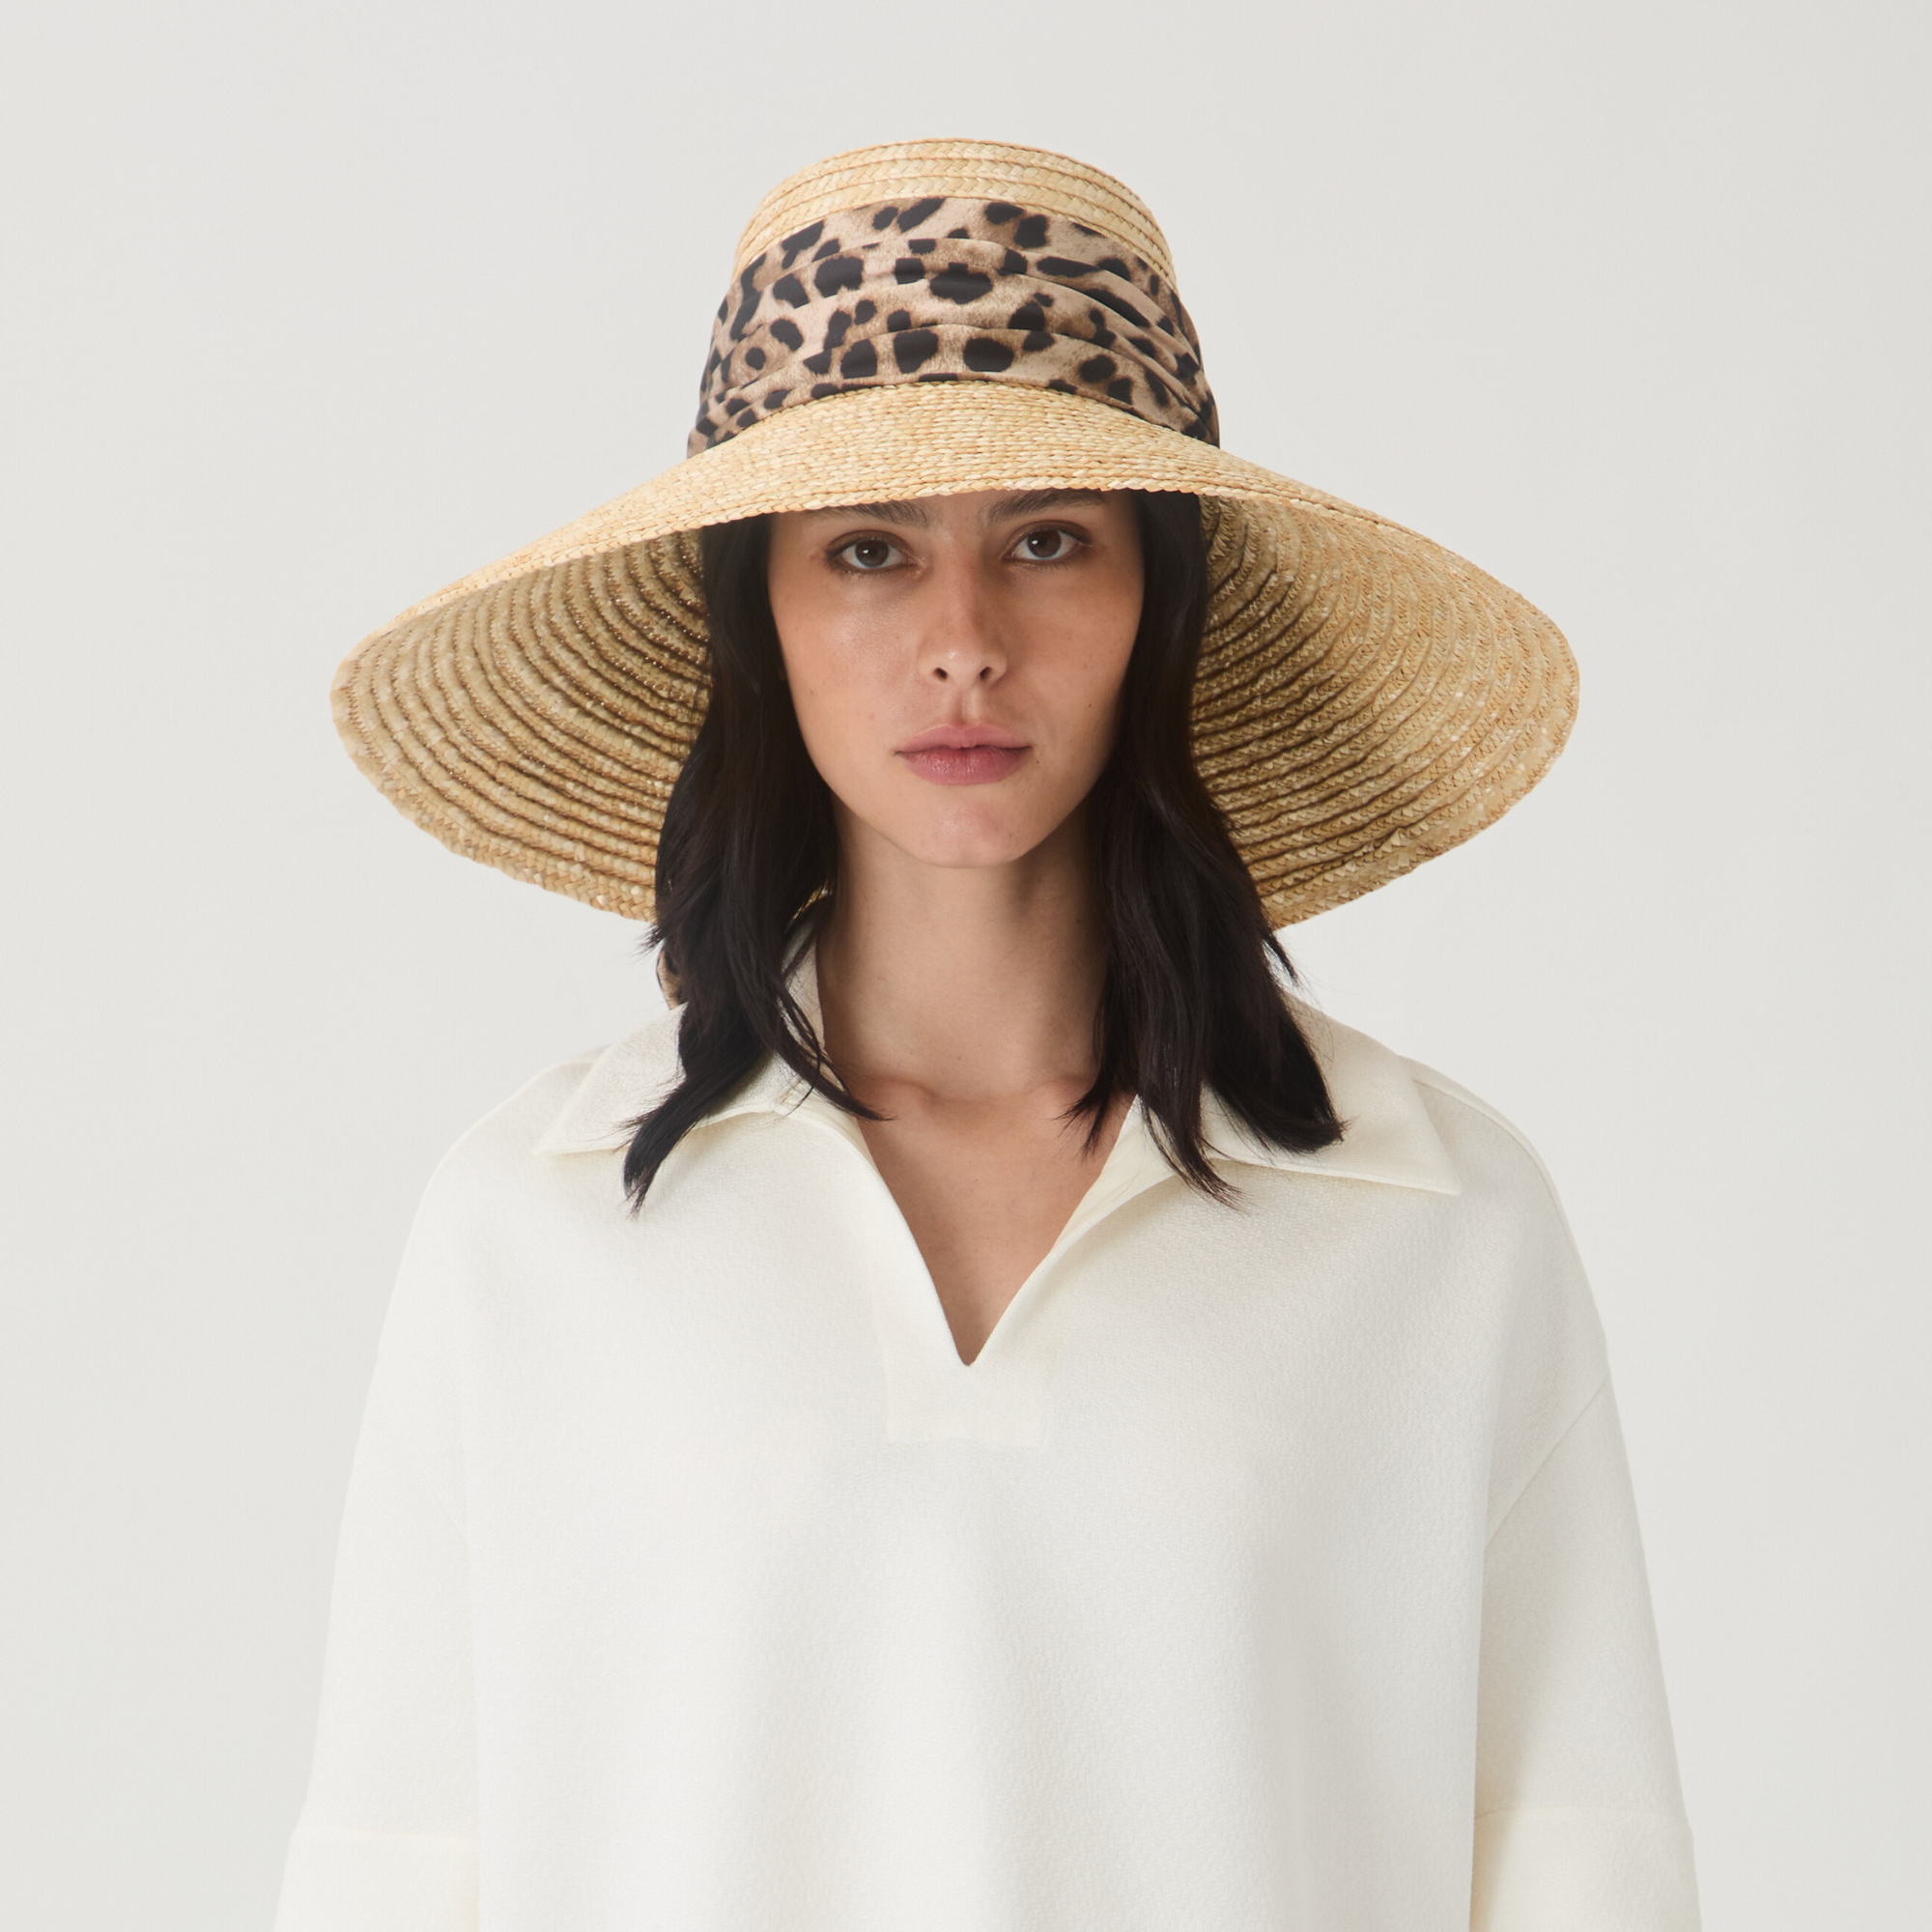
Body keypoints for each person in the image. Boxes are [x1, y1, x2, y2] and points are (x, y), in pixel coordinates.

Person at [278, 141, 1700, 1931]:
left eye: (1047, 541)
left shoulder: (1439, 1219)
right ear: (761, 616)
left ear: (1157, 600)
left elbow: (1582, 1866)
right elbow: (400, 1869)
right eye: (868, 550)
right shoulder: (534, 1222)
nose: (963, 643)